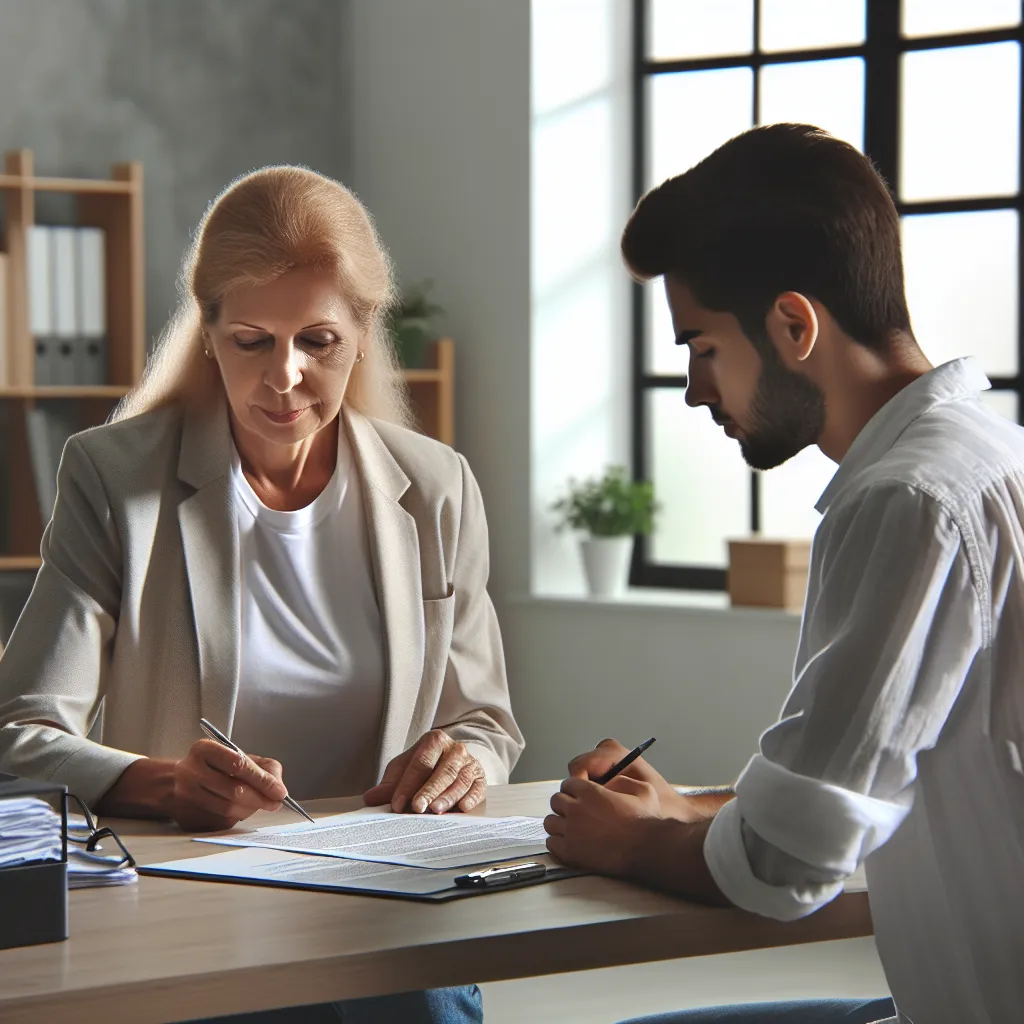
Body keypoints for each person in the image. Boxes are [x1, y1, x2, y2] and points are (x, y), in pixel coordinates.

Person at [0, 165, 524, 1023]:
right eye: (252, 340)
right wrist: (156, 783)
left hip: (383, 908)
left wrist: (463, 763)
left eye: (317, 341)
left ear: (361, 334)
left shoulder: (436, 488)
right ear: (207, 333)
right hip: (194, 911)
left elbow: (486, 722)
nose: (283, 376)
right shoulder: (113, 478)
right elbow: (19, 733)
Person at [544, 123, 1024, 1024]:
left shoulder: (908, 500)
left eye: (703, 346)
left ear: (793, 325)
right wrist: (682, 810)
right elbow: (894, 772)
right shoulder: (994, 456)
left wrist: (633, 845)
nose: (692, 388)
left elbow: (791, 863)